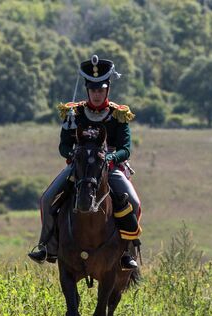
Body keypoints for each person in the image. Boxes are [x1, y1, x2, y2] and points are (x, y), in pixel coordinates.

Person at [28, 55, 141, 270]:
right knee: (47, 199)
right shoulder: (74, 113)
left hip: (110, 168)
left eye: (101, 90)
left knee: (134, 204)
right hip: (79, 167)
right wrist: (71, 154)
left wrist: (110, 157)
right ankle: (46, 246)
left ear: (107, 90)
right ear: (87, 90)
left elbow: (126, 149)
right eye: (93, 90)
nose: (97, 95)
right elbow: (63, 145)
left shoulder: (119, 114)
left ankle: (127, 253)